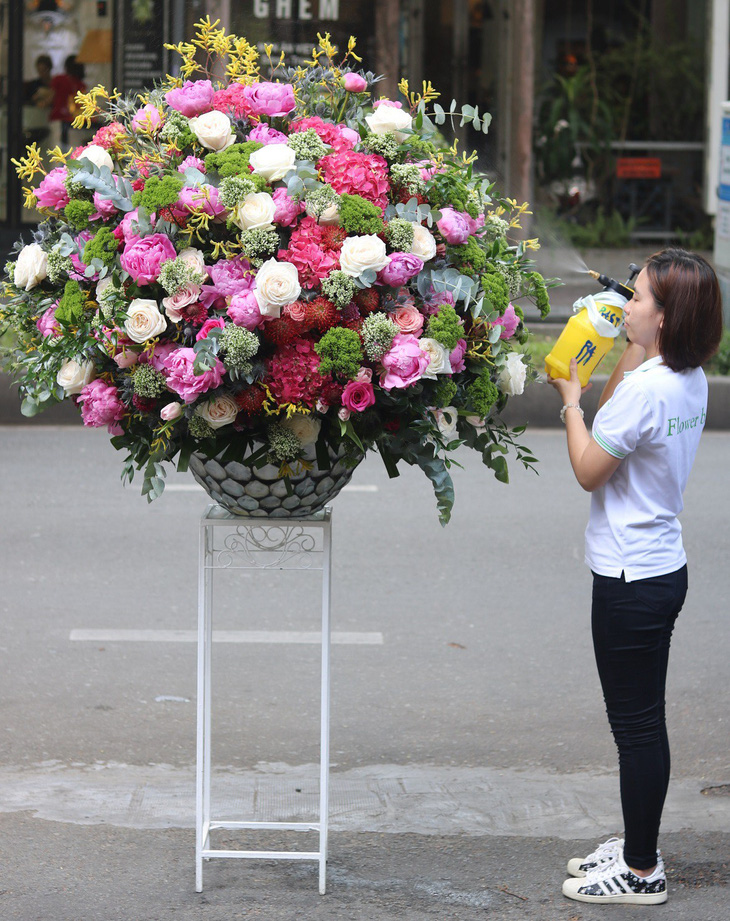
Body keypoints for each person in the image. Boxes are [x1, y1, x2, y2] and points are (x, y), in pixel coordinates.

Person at [547, 248, 723, 906]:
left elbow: (590, 468)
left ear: (667, 316)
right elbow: (626, 395)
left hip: (628, 578)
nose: (629, 300)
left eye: (641, 297)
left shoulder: (649, 390)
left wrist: (570, 400)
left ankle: (642, 869)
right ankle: (638, 843)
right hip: (659, 567)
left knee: (637, 727)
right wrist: (624, 337)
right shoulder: (685, 376)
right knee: (645, 720)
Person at [50, 54, 86, 145]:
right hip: (74, 122)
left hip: (58, 118)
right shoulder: (81, 85)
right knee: (73, 147)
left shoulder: (59, 79)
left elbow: (51, 97)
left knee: (57, 148)